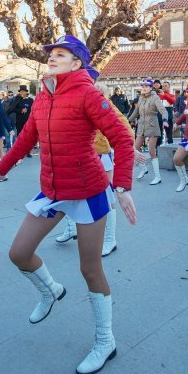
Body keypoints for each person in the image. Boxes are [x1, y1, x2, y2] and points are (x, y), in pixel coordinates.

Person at [0, 35, 136, 374]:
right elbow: (27, 138)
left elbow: (121, 138)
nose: (52, 58)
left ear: (77, 63)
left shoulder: (88, 93)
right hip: (53, 190)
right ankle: (51, 290)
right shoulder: (43, 96)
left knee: (90, 268)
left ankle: (105, 341)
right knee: (19, 253)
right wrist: (1, 169)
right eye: (51, 54)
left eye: (61, 54)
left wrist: (124, 186)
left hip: (88, 189)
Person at [54, 68, 138, 256]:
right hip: (76, 158)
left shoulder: (101, 100)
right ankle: (71, 229)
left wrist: (128, 148)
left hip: (100, 156)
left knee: (106, 198)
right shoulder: (70, 100)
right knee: (68, 194)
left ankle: (110, 239)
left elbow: (124, 130)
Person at [128, 78, 167, 185]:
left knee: (151, 150)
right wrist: (127, 120)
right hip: (141, 126)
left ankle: (157, 177)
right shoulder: (140, 98)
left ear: (150, 88)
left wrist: (165, 120)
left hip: (152, 125)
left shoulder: (155, 97)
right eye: (143, 86)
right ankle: (143, 168)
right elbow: (136, 112)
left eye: (146, 86)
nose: (144, 88)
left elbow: (163, 110)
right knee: (134, 149)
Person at [6, 86, 35, 157]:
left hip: (28, 121)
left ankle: (28, 152)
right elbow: (12, 109)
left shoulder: (30, 100)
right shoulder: (17, 99)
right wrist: (20, 110)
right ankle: (20, 151)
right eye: (21, 91)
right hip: (19, 121)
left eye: (23, 91)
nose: (22, 92)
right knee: (20, 136)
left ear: (26, 92)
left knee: (28, 137)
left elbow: (34, 109)